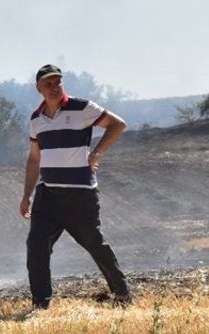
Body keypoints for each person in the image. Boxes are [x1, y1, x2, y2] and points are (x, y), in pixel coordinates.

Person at [19, 64, 132, 310]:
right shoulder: (36, 119)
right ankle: (41, 304)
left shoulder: (82, 108)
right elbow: (34, 158)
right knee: (36, 245)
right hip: (47, 194)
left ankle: (122, 295)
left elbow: (118, 124)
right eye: (48, 84)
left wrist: (98, 153)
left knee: (94, 244)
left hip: (79, 194)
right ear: (39, 89)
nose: (54, 87)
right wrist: (27, 195)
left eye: (58, 82)